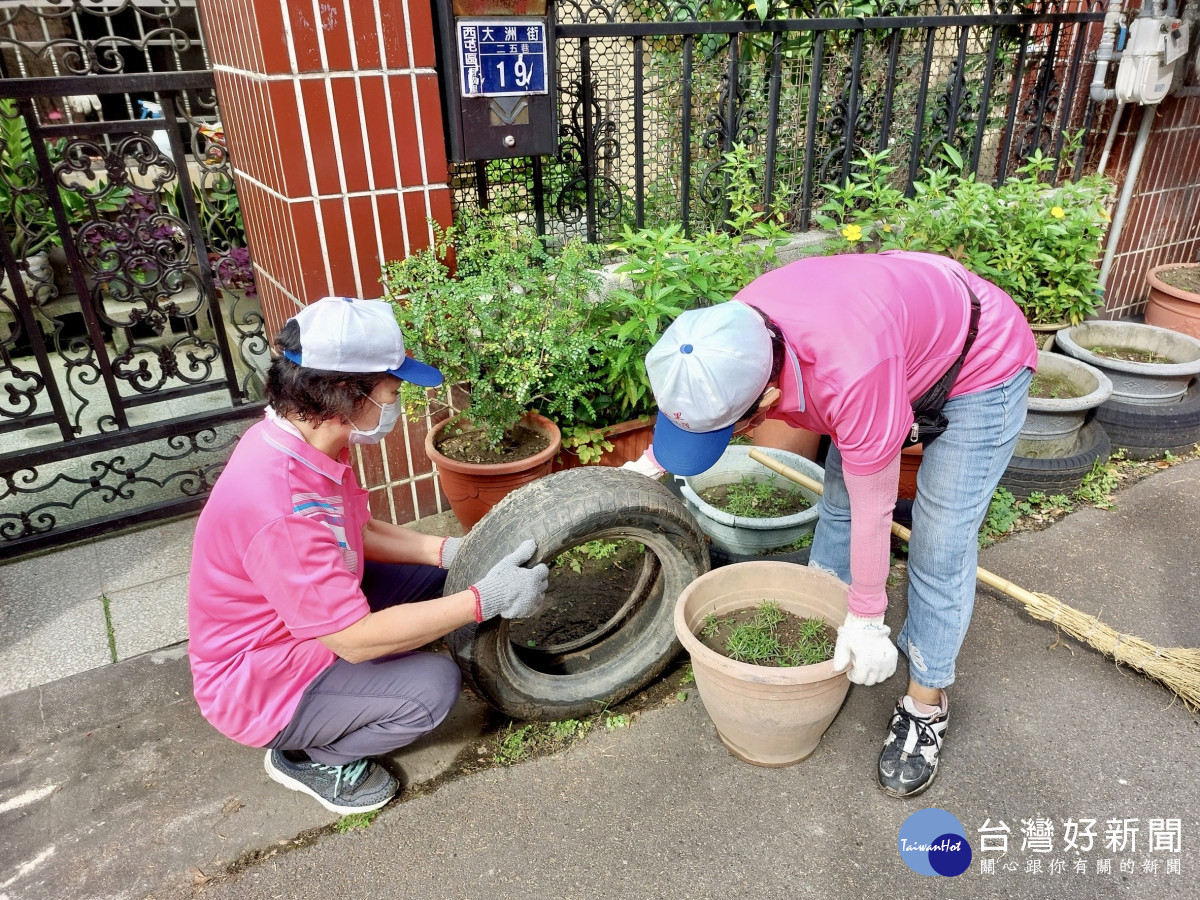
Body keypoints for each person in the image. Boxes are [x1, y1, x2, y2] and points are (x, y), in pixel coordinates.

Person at [630, 250, 1037, 797]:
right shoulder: (728, 336)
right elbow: (695, 399)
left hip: (980, 365)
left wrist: (869, 620)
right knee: (839, 501)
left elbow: (877, 508)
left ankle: (925, 704)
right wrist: (651, 465)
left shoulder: (852, 377)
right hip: (894, 345)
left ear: (767, 400)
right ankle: (826, 633)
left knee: (940, 542)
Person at [188, 296, 549, 814]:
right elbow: (353, 641)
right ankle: (312, 756)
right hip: (262, 681)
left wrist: (453, 551)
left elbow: (356, 529)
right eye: (393, 388)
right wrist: (484, 599)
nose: (397, 401)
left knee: (434, 578)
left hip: (297, 620)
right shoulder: (280, 506)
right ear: (345, 393)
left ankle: (362, 689)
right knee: (431, 691)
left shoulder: (304, 443)